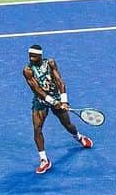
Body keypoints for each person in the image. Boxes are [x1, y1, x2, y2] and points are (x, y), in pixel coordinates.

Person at [23, 44, 94, 175]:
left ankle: (78, 137)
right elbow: (36, 90)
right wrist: (52, 102)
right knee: (37, 129)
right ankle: (44, 160)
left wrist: (63, 100)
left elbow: (60, 82)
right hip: (40, 101)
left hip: (56, 97)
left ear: (40, 56)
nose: (31, 59)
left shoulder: (50, 63)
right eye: (30, 56)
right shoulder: (27, 70)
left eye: (34, 56)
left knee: (67, 124)